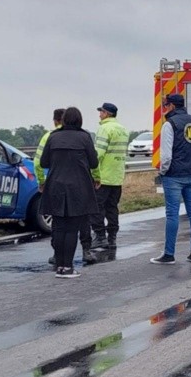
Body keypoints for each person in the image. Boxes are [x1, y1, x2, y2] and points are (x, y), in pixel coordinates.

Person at [150, 94, 191, 265]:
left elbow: (166, 156)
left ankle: (169, 254)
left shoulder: (170, 125)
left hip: (174, 177)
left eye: (165, 105)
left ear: (171, 106)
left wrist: (163, 171)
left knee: (172, 214)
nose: (163, 109)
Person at [40, 107, 99, 278]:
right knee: (72, 228)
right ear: (80, 120)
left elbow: (44, 162)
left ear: (64, 119)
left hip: (56, 186)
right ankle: (68, 267)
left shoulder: (53, 136)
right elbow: (94, 163)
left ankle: (59, 266)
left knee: (58, 228)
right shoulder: (84, 137)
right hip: (78, 187)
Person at [90, 102, 129, 250]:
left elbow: (98, 154)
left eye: (101, 112)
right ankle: (112, 238)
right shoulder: (123, 130)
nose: (99, 114)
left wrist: (93, 173)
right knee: (112, 208)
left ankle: (100, 237)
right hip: (117, 176)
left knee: (97, 207)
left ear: (107, 114)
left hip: (103, 176)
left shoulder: (104, 128)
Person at [34, 108, 64, 266]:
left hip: (54, 182)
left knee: (57, 219)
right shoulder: (82, 135)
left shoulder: (49, 137)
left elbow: (38, 162)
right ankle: (85, 249)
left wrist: (41, 181)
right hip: (76, 185)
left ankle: (57, 254)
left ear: (55, 121)